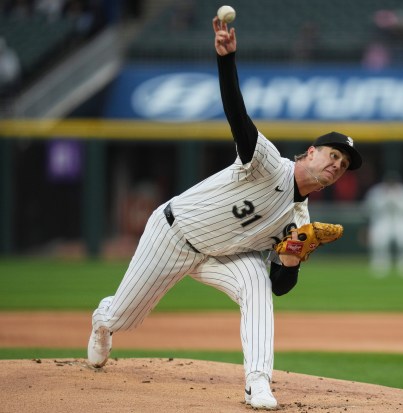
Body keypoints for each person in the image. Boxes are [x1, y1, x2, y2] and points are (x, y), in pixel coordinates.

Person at [87, 16, 362, 410]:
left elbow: (279, 286)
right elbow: (238, 118)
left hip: (227, 256)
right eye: (333, 155)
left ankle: (258, 382)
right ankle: (103, 320)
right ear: (311, 152)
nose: (337, 165)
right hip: (174, 234)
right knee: (125, 318)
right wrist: (226, 60)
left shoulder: (301, 220)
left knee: (257, 287)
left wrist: (291, 260)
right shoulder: (269, 163)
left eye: (344, 165)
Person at [363, 170, 403, 277]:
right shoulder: (376, 192)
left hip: (401, 220)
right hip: (382, 220)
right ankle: (380, 265)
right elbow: (368, 209)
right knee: (380, 243)